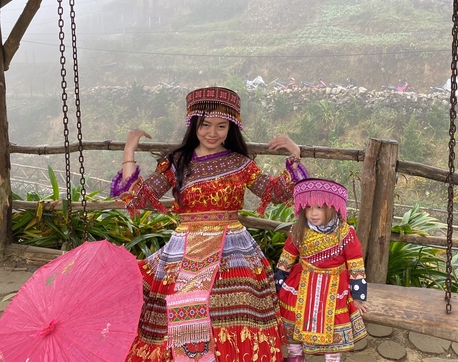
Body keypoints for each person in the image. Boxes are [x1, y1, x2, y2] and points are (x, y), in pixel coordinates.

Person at [110, 86, 309, 362]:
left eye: (221, 126)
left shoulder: (240, 163)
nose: (212, 133)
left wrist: (295, 154)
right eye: (205, 125)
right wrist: (129, 149)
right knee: (183, 313)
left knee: (230, 314)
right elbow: (139, 197)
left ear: (231, 128)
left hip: (234, 251)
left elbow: (274, 192)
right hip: (185, 249)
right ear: (194, 125)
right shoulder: (177, 162)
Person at [275, 178, 368, 362]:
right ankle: (295, 356)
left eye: (319, 207)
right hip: (301, 282)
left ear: (333, 207)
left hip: (335, 285)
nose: (313, 213)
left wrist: (358, 297)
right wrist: (277, 287)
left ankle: (331, 359)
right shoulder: (298, 230)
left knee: (333, 321)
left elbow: (356, 264)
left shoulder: (345, 233)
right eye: (308, 207)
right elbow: (285, 260)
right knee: (291, 313)